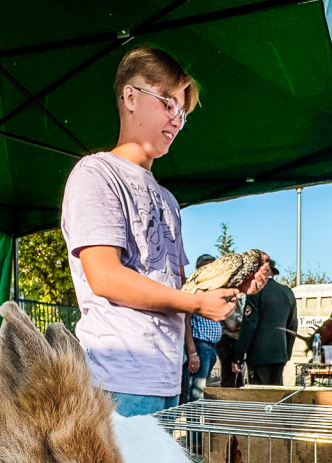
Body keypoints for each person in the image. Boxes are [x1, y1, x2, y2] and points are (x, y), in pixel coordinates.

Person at [60, 46, 270, 418]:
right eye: (168, 103)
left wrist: (233, 289)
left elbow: (179, 288)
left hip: (166, 376)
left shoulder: (167, 199)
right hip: (117, 379)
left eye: (182, 113)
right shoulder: (96, 173)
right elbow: (105, 277)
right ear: (130, 96)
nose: (176, 120)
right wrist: (195, 303)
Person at [234, 260, 298, 385]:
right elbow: (293, 326)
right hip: (280, 353)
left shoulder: (256, 291)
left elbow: (249, 325)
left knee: (260, 396)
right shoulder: (288, 292)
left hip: (259, 354)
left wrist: (238, 357)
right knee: (277, 393)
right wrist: (287, 353)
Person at [182, 254, 224, 401]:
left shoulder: (212, 291)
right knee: (196, 392)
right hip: (200, 346)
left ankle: (196, 422)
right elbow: (185, 321)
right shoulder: (195, 291)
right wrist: (192, 352)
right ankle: (193, 423)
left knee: (203, 389)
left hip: (211, 348)